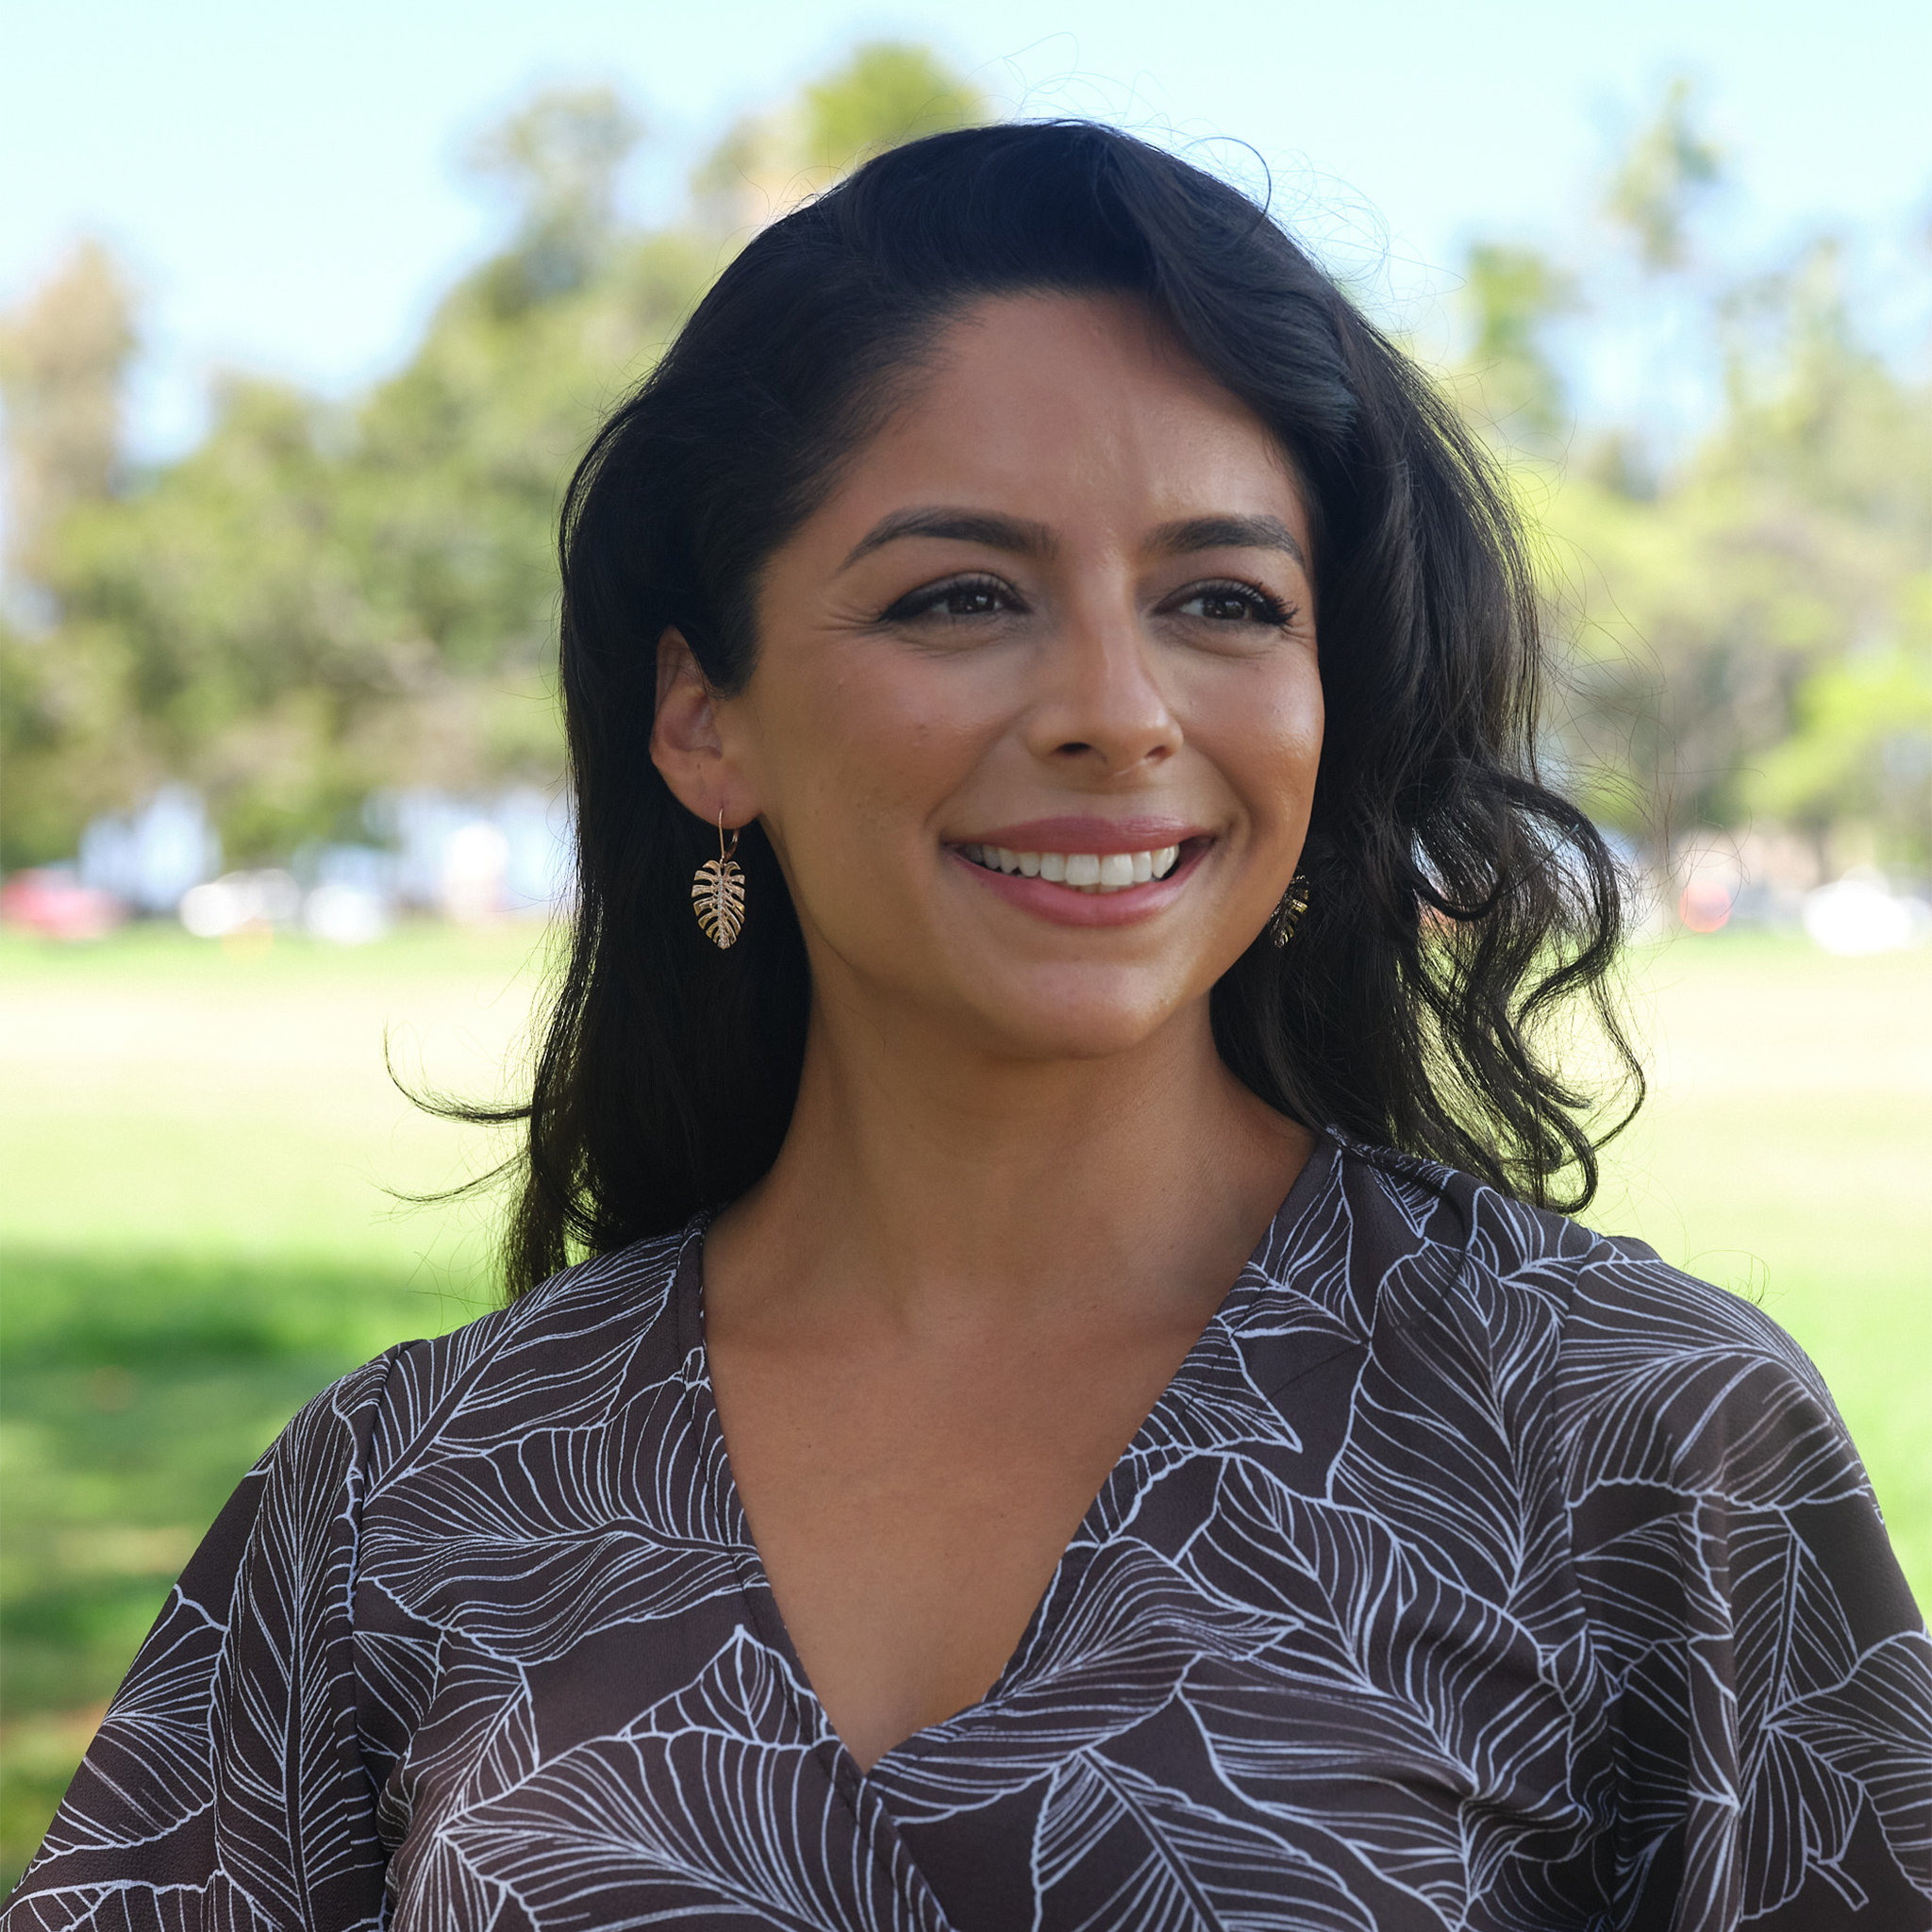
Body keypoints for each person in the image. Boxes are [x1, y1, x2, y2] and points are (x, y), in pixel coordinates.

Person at [8, 122, 1928, 1932]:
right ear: (706, 718)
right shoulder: (408, 1495)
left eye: (1222, 599)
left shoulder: (1638, 1440)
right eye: (957, 595)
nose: (1116, 704)